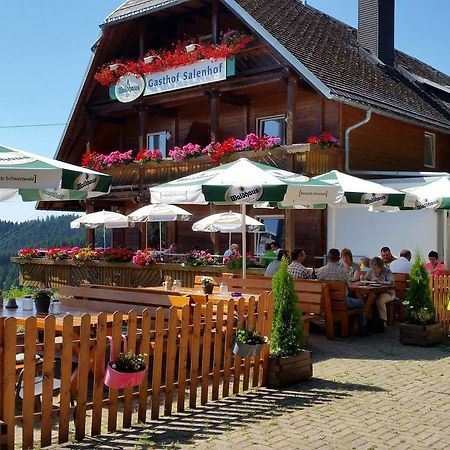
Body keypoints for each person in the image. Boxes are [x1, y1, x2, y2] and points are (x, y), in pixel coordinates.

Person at [317, 248, 367, 333]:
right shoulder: (343, 272)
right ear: (339, 258)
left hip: (325, 302)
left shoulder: (320, 271)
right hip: (341, 302)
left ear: (328, 258)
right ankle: (361, 329)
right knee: (361, 302)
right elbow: (350, 287)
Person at [365, 256, 395, 328]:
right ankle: (368, 321)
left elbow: (391, 282)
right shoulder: (370, 271)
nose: (374, 270)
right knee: (367, 298)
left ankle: (383, 321)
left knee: (380, 300)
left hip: (388, 293)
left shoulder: (387, 271)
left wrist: (380, 282)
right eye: (373, 268)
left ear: (380, 266)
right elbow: (366, 279)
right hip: (374, 292)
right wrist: (365, 280)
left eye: (376, 268)